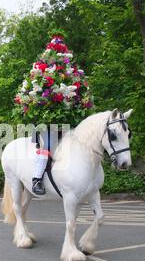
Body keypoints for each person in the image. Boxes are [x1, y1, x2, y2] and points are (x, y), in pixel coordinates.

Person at [14, 30, 93, 195]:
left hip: (65, 125)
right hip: (46, 126)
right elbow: (32, 105)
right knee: (47, 147)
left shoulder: (70, 79)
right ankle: (37, 179)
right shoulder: (42, 82)